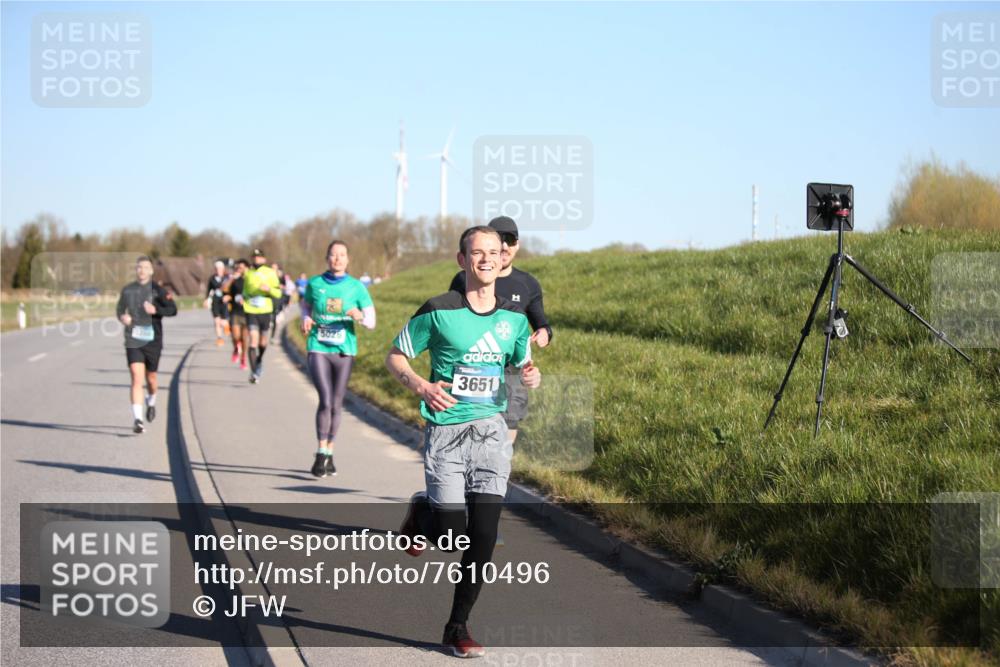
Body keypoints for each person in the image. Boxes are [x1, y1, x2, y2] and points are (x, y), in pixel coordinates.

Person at [387, 226, 540, 658]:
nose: (487, 259)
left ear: (503, 259)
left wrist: (531, 375)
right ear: (462, 260)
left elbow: (523, 365)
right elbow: (394, 356)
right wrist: (421, 386)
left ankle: (457, 627)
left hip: (491, 432)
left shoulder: (514, 321)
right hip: (447, 434)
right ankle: (421, 512)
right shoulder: (438, 311)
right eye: (478, 253)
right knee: (454, 535)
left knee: (484, 537)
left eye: (494, 252)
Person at [449, 216, 552, 445]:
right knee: (470, 437)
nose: (505, 246)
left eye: (510, 240)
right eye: (499, 240)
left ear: (518, 244)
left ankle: (498, 478)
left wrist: (544, 333)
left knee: (504, 440)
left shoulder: (528, 284)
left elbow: (541, 322)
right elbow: (452, 320)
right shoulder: (463, 278)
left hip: (512, 373)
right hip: (474, 366)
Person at [300, 241, 376, 477]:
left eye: (342, 255)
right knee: (324, 400)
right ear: (327, 258)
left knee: (336, 402)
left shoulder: (356, 287)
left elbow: (372, 323)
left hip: (344, 350)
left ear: (348, 259)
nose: (338, 259)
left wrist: (359, 316)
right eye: (333, 255)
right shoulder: (315, 283)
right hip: (318, 346)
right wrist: (305, 318)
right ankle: (321, 451)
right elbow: (305, 306)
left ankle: (330, 452)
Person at [116, 256, 178, 434]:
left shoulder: (159, 291)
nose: (141, 270)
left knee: (151, 379)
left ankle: (151, 401)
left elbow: (173, 310)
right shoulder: (128, 290)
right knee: (136, 377)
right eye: (139, 267)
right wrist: (123, 317)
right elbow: (120, 309)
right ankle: (138, 419)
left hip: (153, 341)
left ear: (151, 271)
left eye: (145, 267)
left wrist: (156, 310)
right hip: (133, 340)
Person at [242, 249, 283, 384]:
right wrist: (242, 297)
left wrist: (269, 289)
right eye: (254, 257)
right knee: (253, 339)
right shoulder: (248, 273)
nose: (256, 259)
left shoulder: (270, 273)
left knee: (263, 342)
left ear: (264, 259)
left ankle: (259, 361)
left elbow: (278, 293)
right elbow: (244, 291)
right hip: (251, 309)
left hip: (265, 309)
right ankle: (254, 372)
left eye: (259, 257)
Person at [223, 258, 249, 369]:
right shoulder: (233, 279)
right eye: (237, 268)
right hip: (235, 311)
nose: (239, 270)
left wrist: (247, 300)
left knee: (245, 338)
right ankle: (236, 348)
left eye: (241, 268)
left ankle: (243, 358)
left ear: (247, 268)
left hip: (248, 312)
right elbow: (224, 289)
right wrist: (232, 279)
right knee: (235, 336)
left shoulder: (250, 279)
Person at [204, 259, 229, 346]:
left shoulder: (227, 277)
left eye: (220, 268)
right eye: (217, 268)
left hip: (224, 302)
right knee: (216, 321)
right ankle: (219, 338)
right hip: (215, 301)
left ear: (223, 269)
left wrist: (228, 296)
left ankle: (227, 326)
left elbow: (231, 289)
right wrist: (206, 299)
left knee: (223, 321)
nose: (218, 270)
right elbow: (208, 290)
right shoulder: (212, 278)